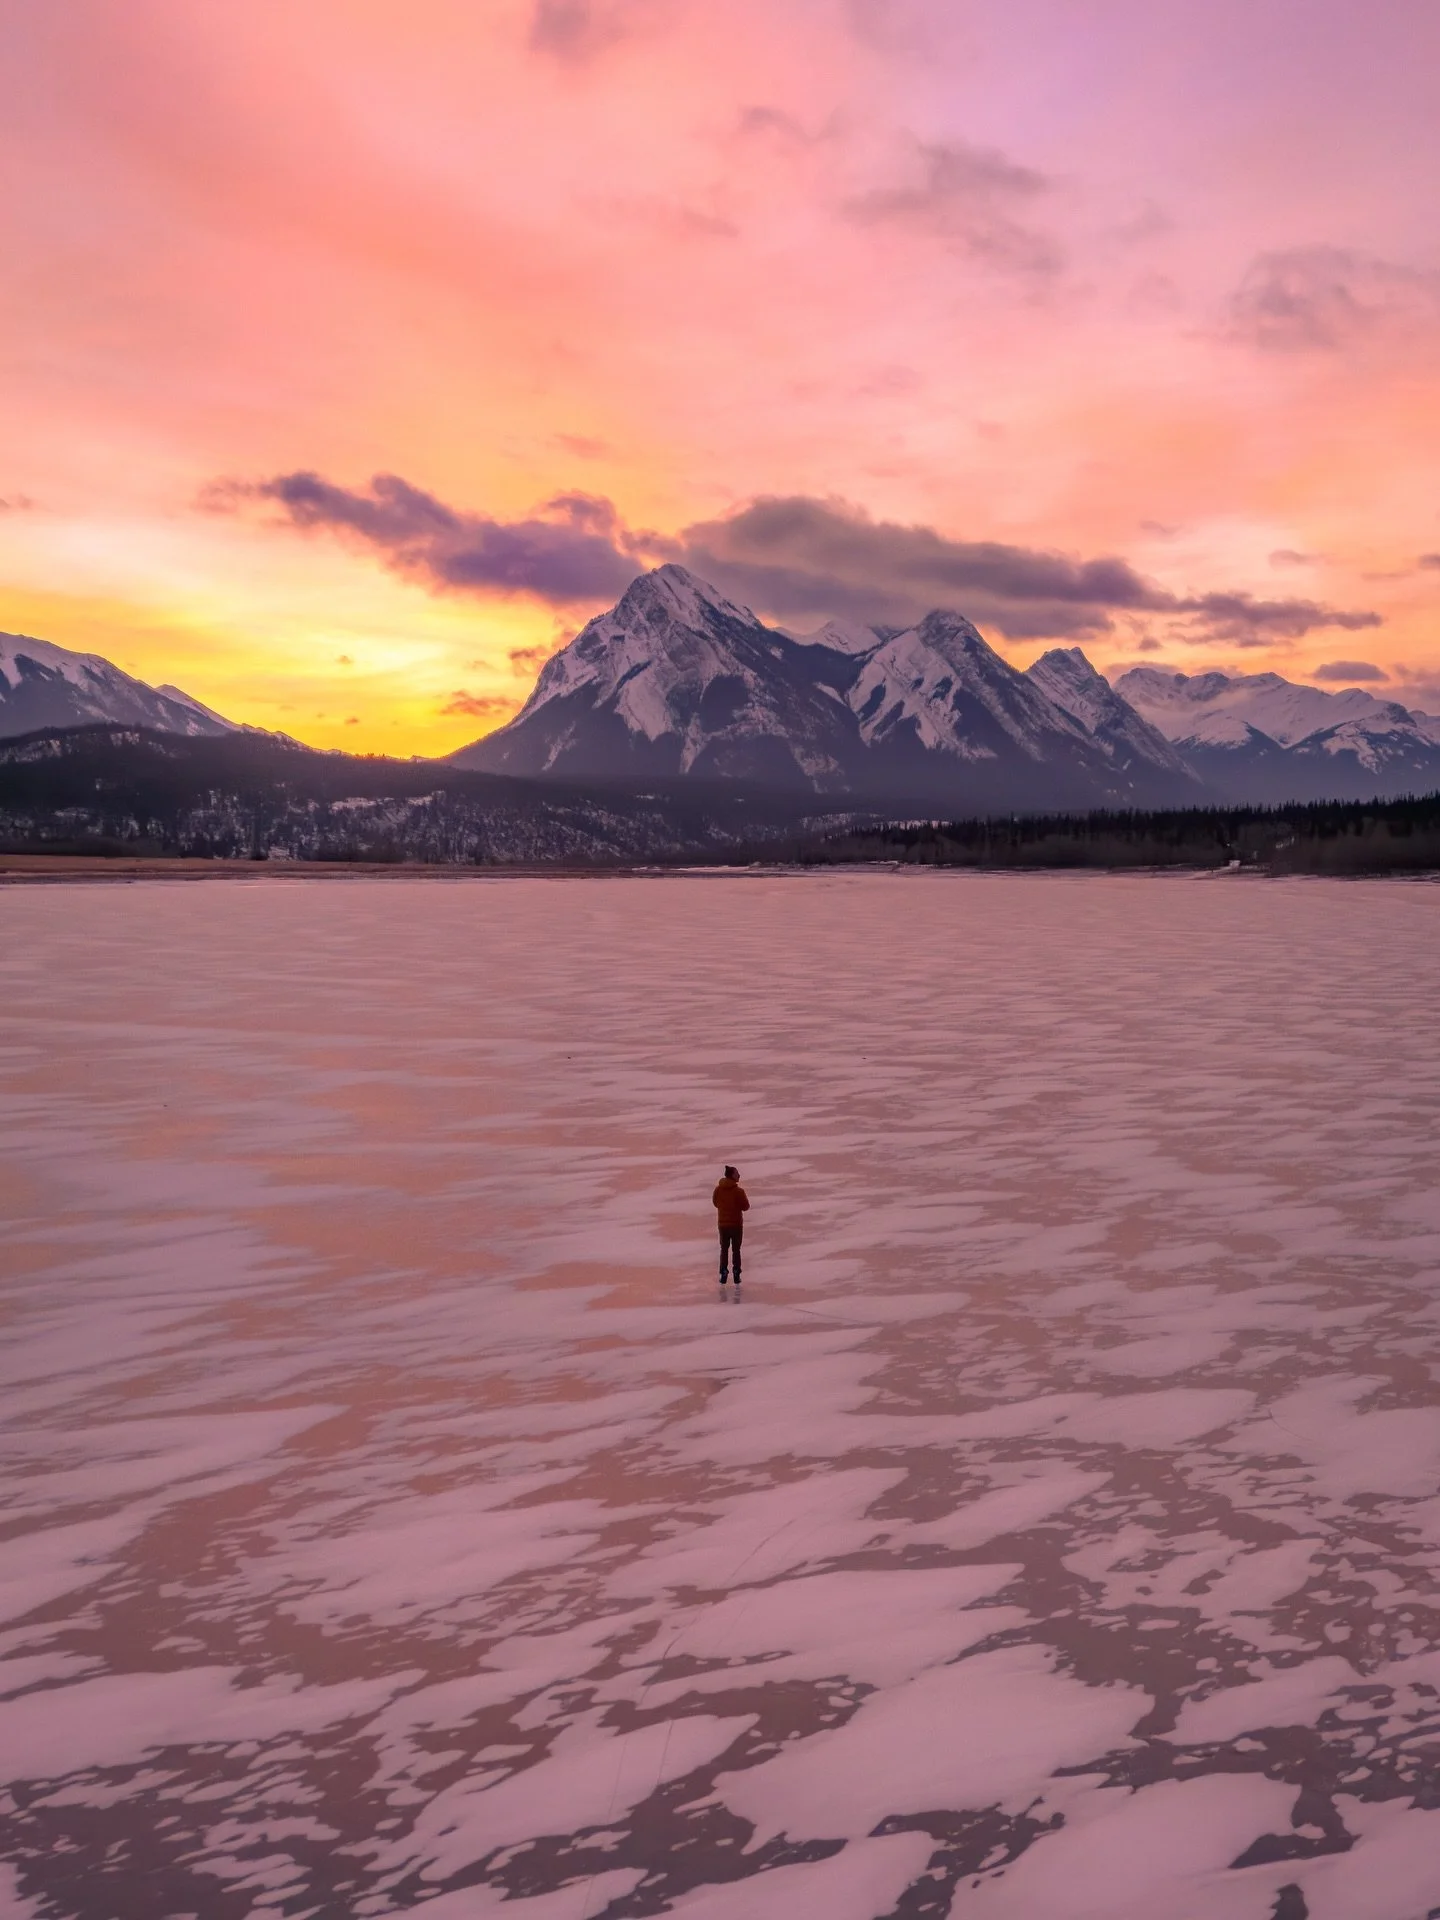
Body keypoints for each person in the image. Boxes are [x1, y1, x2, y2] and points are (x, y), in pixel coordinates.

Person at [713, 1165, 750, 1285]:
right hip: (735, 1225)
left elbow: (715, 1202)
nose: (739, 1175)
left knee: (724, 1249)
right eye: (737, 1173)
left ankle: (723, 1272)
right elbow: (746, 1206)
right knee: (736, 1250)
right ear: (732, 1175)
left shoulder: (718, 1190)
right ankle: (736, 1272)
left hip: (723, 1225)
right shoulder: (738, 1192)